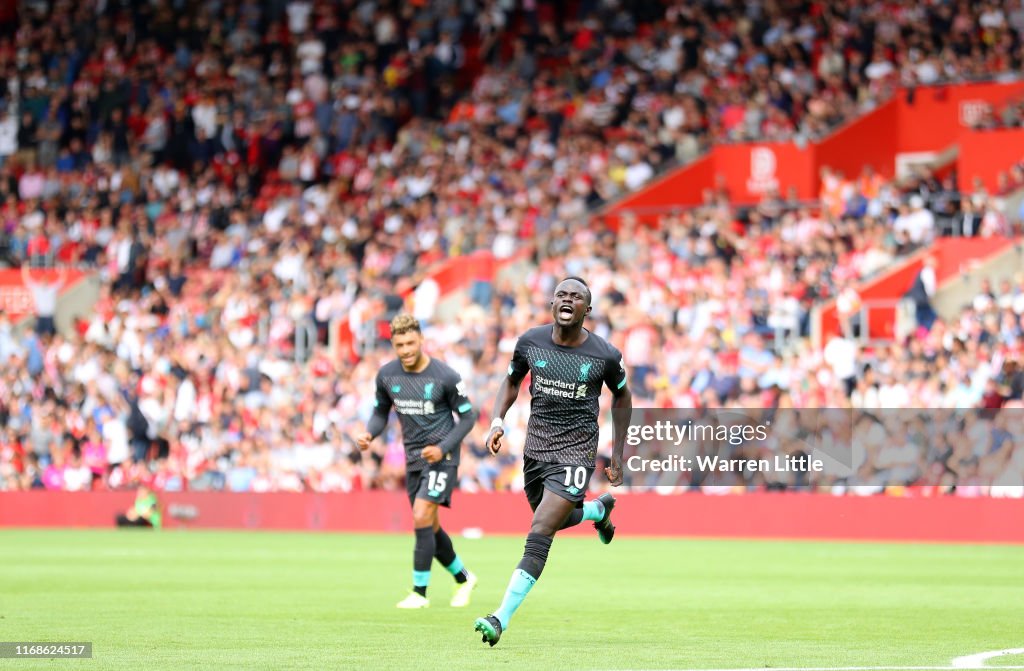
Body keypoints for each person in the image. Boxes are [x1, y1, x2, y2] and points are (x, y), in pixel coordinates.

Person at [474, 276, 632, 646]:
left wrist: (619, 454)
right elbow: (512, 381)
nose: (568, 299)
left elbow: (623, 398)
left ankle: (500, 618)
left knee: (541, 529)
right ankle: (597, 512)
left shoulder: (604, 354)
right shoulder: (530, 342)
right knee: (552, 518)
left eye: (577, 297)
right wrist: (498, 421)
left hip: (577, 451)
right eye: (562, 294)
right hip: (537, 450)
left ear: (586, 310)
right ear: (552, 302)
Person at [355, 314, 480, 609]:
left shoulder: (445, 376)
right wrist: (369, 434)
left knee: (422, 515)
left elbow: (468, 417)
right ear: (394, 344)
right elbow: (379, 413)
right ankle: (464, 578)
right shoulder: (387, 375)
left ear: (421, 340)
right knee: (430, 526)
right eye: (400, 344)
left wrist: (443, 447)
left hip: (443, 457)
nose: (407, 349)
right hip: (414, 459)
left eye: (411, 342)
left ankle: (419, 593)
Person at [21, 264, 67, 338]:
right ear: (40, 281)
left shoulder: (52, 288)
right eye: (43, 280)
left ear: (48, 281)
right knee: (39, 334)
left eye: (46, 280)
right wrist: (25, 269)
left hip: (49, 315)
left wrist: (62, 270)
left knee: (49, 334)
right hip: (40, 315)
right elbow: (27, 280)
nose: (44, 281)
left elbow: (61, 281)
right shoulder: (37, 288)